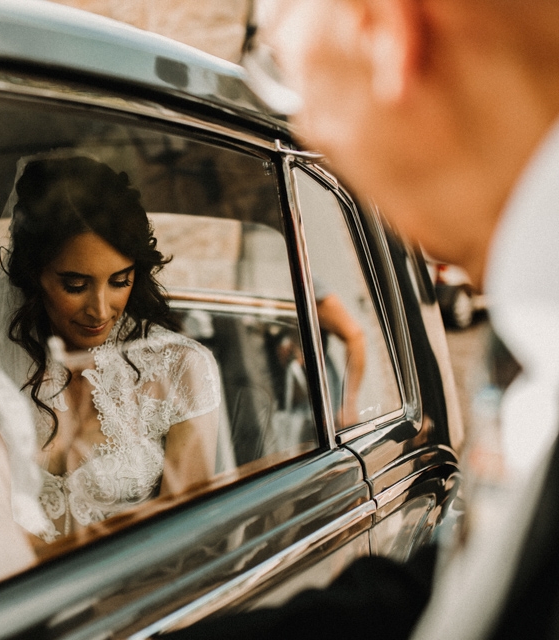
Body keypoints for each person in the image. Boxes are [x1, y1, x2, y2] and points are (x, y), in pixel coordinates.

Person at [166, 0, 559, 638]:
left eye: (274, 64)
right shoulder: (531, 343)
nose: (304, 123)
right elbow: (464, 588)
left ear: (382, 27)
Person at [0, 154, 222, 580]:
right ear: (34, 275)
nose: (100, 310)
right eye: (75, 285)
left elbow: (183, 540)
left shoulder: (182, 367)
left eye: (120, 281)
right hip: (14, 590)